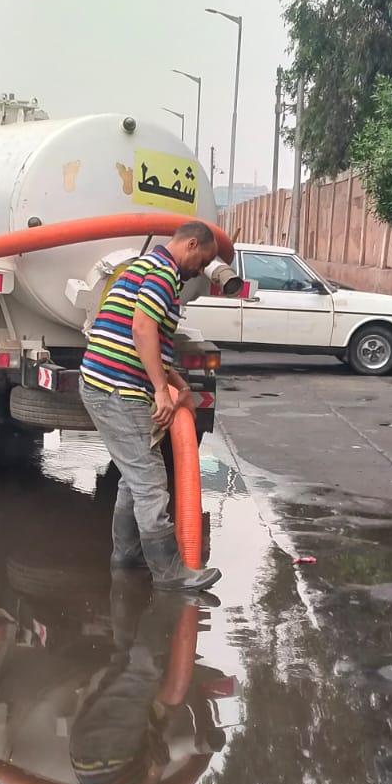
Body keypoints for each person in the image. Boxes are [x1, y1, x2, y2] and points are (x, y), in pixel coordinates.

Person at [80, 221, 222, 595]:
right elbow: (142, 329)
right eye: (202, 260)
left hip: (106, 384)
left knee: (134, 477)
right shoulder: (163, 274)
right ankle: (170, 573)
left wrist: (180, 386)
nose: (199, 270)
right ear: (191, 244)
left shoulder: (144, 267)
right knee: (150, 482)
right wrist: (161, 390)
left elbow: (148, 342)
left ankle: (127, 556)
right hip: (116, 389)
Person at [71, 573, 200, 784]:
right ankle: (125, 575)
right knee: (124, 656)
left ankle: (174, 589)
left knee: (144, 671)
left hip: (106, 755)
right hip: (89, 755)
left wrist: (155, 773)